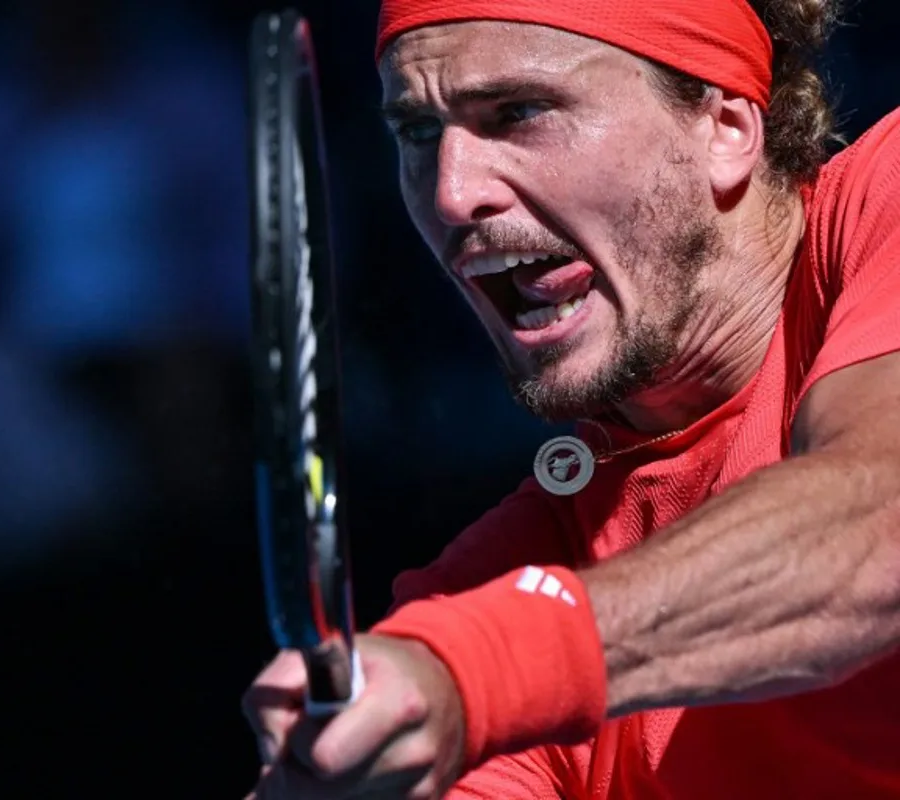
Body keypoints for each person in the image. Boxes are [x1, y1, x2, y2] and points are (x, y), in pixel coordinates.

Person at [242, 0, 900, 797]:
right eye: (417, 133)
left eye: (518, 112)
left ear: (724, 126)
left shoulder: (887, 193)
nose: (451, 195)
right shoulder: (497, 583)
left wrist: (478, 670)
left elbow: (880, 520)